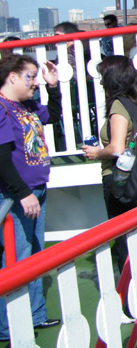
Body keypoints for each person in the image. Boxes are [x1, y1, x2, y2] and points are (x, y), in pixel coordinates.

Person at [81, 55, 137, 317]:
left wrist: (95, 152)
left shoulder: (119, 105)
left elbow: (116, 148)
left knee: (124, 243)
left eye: (103, 77)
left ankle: (133, 305)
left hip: (121, 180)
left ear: (111, 80)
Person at [0, 55, 62, 339]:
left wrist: (54, 88)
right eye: (31, 76)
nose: (35, 82)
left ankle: (35, 314)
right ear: (12, 77)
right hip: (18, 195)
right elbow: (1, 158)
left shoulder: (26, 105)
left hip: (36, 189)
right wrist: (23, 193)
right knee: (17, 259)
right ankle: (8, 326)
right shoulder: (1, 108)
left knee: (35, 253)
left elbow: (54, 115)